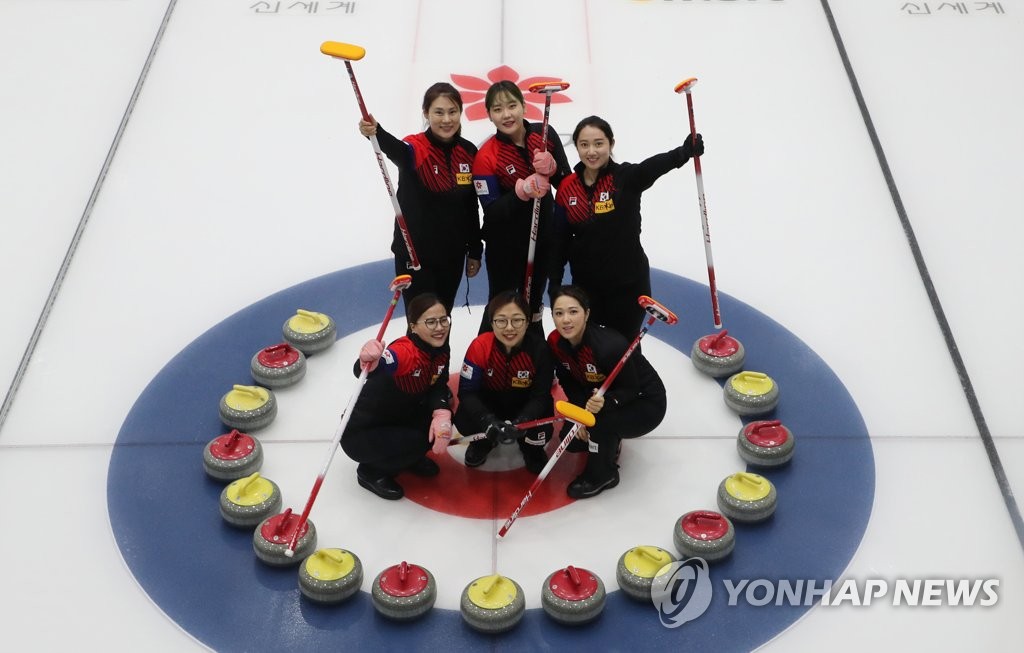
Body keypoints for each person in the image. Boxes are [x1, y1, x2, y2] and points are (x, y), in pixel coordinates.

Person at [549, 116, 704, 341]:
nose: (591, 151)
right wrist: (554, 285)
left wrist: (683, 152)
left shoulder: (624, 178)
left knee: (625, 347)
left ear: (611, 144)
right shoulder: (567, 188)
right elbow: (559, 241)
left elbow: (651, 168)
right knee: (589, 345)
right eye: (584, 145)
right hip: (586, 286)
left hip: (628, 285)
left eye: (598, 143)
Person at [358, 82, 482, 313]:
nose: (447, 119)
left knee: (442, 317)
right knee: (421, 321)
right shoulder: (416, 148)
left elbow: (470, 206)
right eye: (439, 112)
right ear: (426, 113)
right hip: (415, 256)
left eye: (452, 112)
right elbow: (397, 150)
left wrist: (475, 250)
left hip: (452, 255)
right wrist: (376, 132)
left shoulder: (468, 152)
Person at [547, 285, 666, 499]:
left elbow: (630, 388)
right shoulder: (555, 342)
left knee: (598, 424)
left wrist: (606, 404)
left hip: (644, 402)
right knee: (572, 439)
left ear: (587, 314)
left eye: (573, 312)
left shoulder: (608, 347)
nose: (566, 320)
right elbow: (568, 380)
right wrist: (580, 414)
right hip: (602, 394)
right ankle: (610, 439)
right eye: (559, 313)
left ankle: (603, 475)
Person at [472, 80, 572, 332]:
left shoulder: (544, 135)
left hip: (543, 240)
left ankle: (535, 348)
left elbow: (567, 186)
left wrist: (554, 168)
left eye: (512, 106)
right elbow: (492, 212)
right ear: (489, 115)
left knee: (535, 302)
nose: (506, 114)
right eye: (497, 109)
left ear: (524, 106)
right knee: (501, 303)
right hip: (505, 247)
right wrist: (521, 192)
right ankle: (484, 351)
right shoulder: (486, 156)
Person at [340, 293, 453, 500]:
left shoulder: (440, 349)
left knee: (435, 428)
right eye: (431, 322)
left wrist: (442, 412)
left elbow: (439, 383)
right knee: (420, 441)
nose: (440, 327)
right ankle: (370, 472)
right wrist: (368, 361)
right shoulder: (406, 351)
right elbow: (377, 365)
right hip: (360, 433)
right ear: (413, 326)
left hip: (398, 416)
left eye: (443, 320)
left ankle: (409, 458)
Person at [453, 291, 555, 474]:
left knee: (542, 429)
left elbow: (541, 396)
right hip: (490, 404)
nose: (509, 328)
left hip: (525, 404)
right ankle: (483, 442)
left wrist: (525, 419)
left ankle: (531, 449)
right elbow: (467, 392)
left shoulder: (540, 349)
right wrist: (486, 419)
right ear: (491, 323)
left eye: (517, 320)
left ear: (527, 322)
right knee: (464, 420)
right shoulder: (480, 347)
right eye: (501, 321)